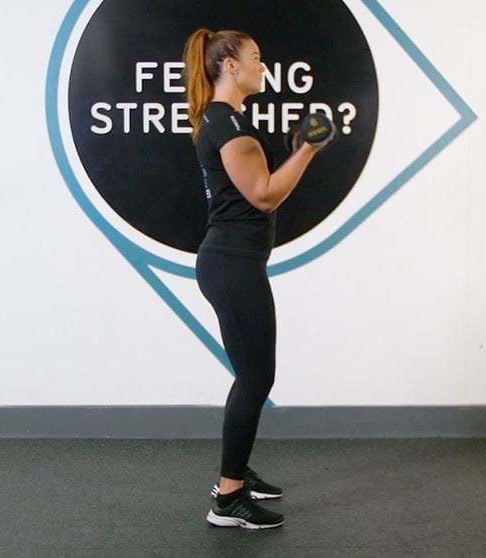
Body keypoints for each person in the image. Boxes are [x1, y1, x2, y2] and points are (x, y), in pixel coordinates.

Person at [182, 28, 336, 530]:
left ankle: (236, 472)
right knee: (256, 377)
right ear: (229, 65)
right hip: (232, 265)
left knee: (251, 375)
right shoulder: (227, 124)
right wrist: (308, 150)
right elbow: (264, 194)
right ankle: (228, 499)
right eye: (255, 57)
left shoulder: (224, 120)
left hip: (234, 262)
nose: (262, 66)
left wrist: (296, 149)